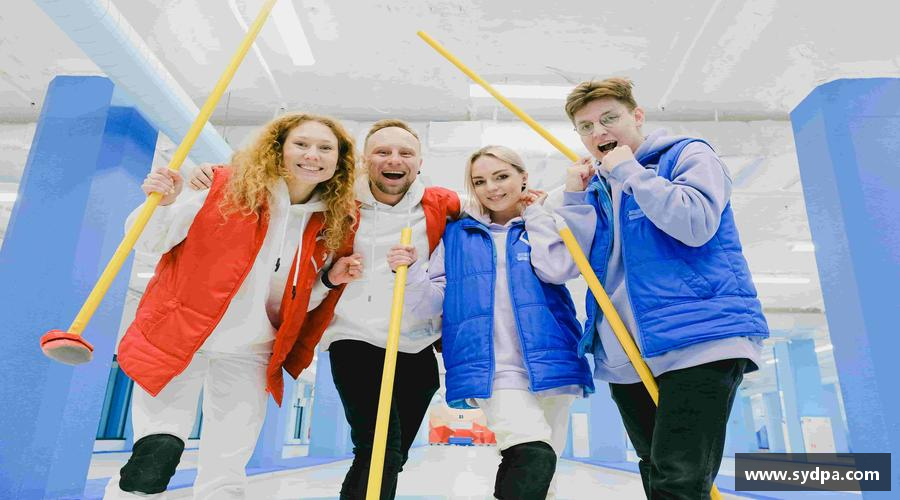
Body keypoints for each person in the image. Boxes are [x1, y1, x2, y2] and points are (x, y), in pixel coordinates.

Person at [188, 118, 460, 500]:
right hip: (355, 339)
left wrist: (530, 201)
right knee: (378, 449)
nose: (393, 159)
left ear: (419, 163)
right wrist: (215, 174)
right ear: (364, 160)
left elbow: (491, 205)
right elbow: (280, 184)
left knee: (391, 457)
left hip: (416, 344)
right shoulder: (336, 200)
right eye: (382, 151)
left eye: (405, 153)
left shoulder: (441, 204)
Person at [105, 113, 363, 499]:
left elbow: (297, 301)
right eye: (301, 144)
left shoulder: (333, 222)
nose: (313, 155)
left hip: (251, 350)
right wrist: (162, 204)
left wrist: (328, 281)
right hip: (183, 335)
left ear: (338, 161)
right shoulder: (224, 186)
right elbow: (149, 243)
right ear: (278, 149)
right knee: (155, 453)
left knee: (228, 465)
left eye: (325, 148)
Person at [559, 77, 769, 499]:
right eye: (586, 127)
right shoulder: (596, 186)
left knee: (678, 479)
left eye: (609, 118)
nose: (598, 132)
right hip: (626, 351)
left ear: (637, 116)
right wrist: (574, 199)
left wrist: (631, 172)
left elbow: (695, 224)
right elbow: (569, 264)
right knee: (656, 471)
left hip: (699, 339)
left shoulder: (688, 155)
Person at [389, 145, 594, 499]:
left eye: (501, 177)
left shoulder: (543, 222)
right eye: (480, 181)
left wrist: (536, 215)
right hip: (491, 367)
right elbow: (432, 303)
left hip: (552, 362)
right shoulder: (456, 235)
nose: (492, 188)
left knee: (544, 472)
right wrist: (410, 275)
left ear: (523, 177)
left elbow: (558, 269)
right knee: (532, 452)